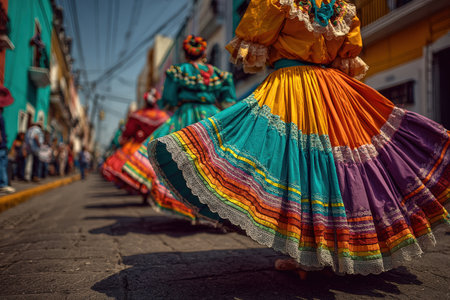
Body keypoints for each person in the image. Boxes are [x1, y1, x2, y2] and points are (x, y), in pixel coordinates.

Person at [147, 0, 450, 277]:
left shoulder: (279, 2)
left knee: (295, 166)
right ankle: (336, 247)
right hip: (333, 90)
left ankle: (304, 253)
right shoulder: (342, 8)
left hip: (291, 87)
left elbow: (254, 40)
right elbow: (348, 52)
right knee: (344, 168)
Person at [122, 35, 236, 215]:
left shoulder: (177, 72)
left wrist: (176, 103)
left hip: (185, 116)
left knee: (182, 159)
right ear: (203, 53)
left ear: (185, 53)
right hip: (212, 118)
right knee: (215, 160)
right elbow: (228, 101)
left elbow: (168, 99)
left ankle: (186, 206)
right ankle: (215, 208)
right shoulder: (218, 74)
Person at [102, 88, 169, 193]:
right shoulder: (163, 117)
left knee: (133, 168)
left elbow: (129, 131)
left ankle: (137, 187)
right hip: (155, 148)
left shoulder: (138, 114)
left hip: (138, 146)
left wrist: (124, 139)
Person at [0, 107, 15, 193]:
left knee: (3, 164)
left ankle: (3, 183)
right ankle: (3, 184)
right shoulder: (0, 117)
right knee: (2, 164)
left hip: (3, 145)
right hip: (1, 146)